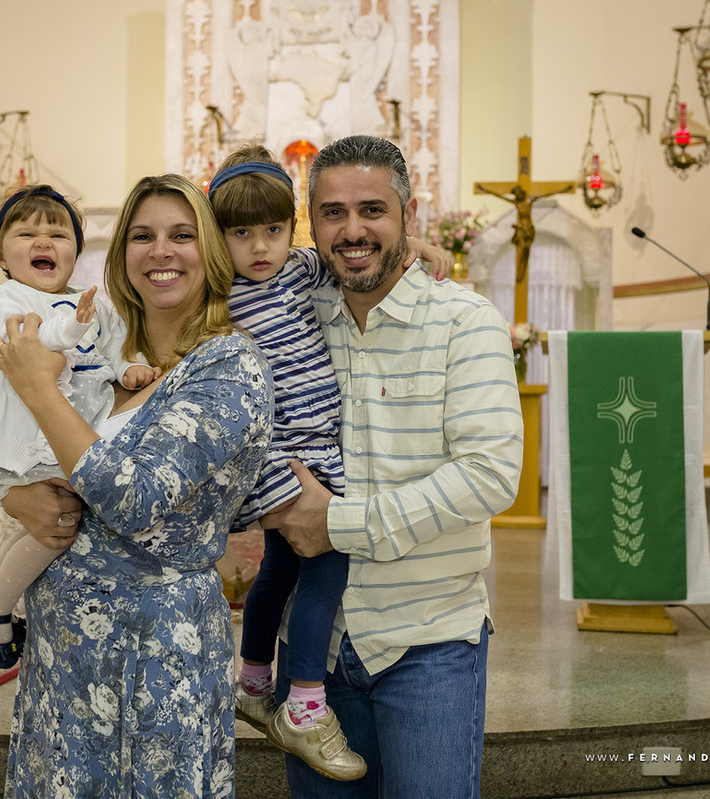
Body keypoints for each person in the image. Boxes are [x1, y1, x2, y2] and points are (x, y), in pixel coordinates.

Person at [0, 174, 274, 798]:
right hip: (64, 644)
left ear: (212, 254)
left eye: (181, 235)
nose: (160, 251)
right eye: (141, 236)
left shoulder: (228, 365)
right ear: (120, 257)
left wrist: (37, 388)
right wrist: (14, 494)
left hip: (157, 648)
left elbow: (135, 499)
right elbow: (20, 443)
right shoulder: (103, 352)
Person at [261, 134, 525, 799]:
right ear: (310, 223)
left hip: (427, 640)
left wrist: (340, 523)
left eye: (372, 210)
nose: (352, 230)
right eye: (332, 213)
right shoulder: (290, 317)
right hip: (312, 655)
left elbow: (490, 471)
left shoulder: (464, 322)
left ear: (409, 215)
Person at [206, 143, 451, 782]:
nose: (261, 246)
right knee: (326, 566)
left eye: (275, 229)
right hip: (283, 453)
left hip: (317, 447)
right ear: (216, 237)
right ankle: (306, 703)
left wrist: (415, 247)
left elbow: (364, 255)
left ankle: (254, 680)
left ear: (295, 229)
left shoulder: (300, 271)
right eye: (241, 233)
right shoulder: (217, 293)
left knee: (281, 571)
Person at [0, 184, 161, 668]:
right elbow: (37, 344)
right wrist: (74, 326)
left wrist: (128, 367)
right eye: (26, 232)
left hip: (72, 438)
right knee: (58, 528)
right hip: (28, 442)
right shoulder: (7, 298)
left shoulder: (94, 303)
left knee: (53, 523)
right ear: (2, 256)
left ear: (76, 253)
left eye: (58, 234)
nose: (43, 242)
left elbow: (116, 346)